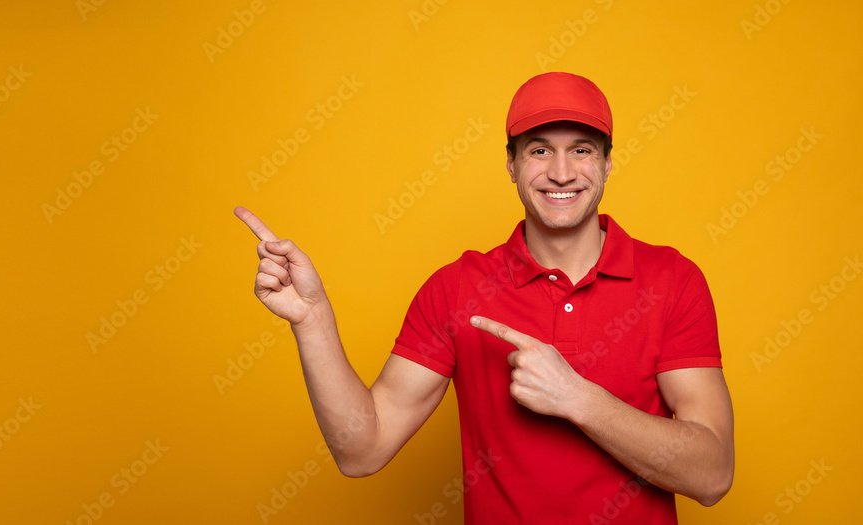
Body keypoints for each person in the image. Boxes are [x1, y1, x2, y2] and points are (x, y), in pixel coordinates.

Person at [235, 72, 734, 524]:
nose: (562, 172)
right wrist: (313, 321)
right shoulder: (456, 288)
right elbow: (361, 451)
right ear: (512, 165)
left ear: (606, 163)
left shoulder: (673, 280)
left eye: (581, 150)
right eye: (539, 150)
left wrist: (577, 398)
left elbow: (712, 475)